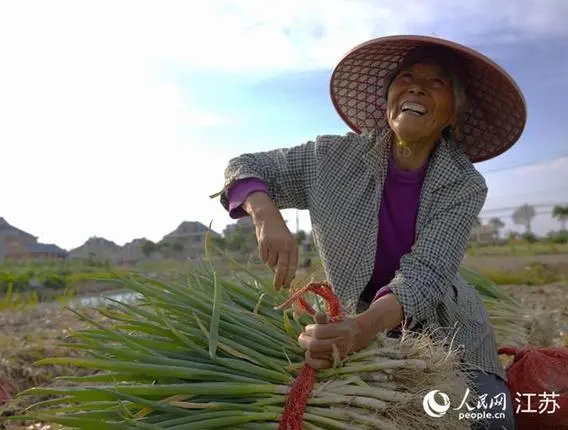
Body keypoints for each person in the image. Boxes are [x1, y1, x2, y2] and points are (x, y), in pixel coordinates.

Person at [216, 35, 526, 429]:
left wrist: (363, 329)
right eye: (406, 76)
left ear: (453, 115)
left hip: (448, 331)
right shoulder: (331, 158)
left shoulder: (464, 184)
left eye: (437, 83)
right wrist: (264, 213)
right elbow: (243, 165)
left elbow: (425, 274)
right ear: (388, 101)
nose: (416, 86)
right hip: (351, 316)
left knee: (491, 421)